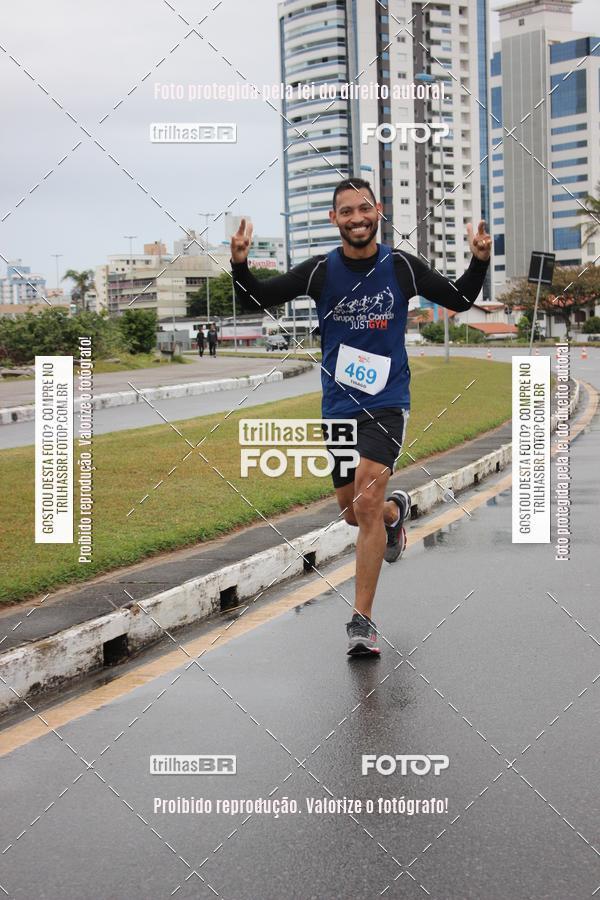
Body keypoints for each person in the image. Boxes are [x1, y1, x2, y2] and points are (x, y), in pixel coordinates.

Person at [230, 177, 491, 656]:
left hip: (387, 402)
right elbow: (257, 298)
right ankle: (395, 515)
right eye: (346, 211)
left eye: (364, 208)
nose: (356, 218)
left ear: (378, 212)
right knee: (354, 513)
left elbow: (459, 299)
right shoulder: (320, 273)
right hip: (338, 406)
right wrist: (241, 263)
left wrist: (479, 260)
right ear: (335, 220)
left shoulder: (402, 267)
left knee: (366, 499)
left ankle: (362, 622)